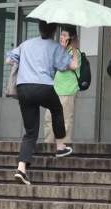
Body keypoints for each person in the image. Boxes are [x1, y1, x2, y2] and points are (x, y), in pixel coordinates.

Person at [9, 21, 78, 185]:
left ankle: (21, 168)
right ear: (54, 30)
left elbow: (10, 58)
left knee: (30, 131)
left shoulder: (26, 44)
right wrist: (72, 49)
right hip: (43, 87)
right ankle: (60, 147)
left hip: (24, 87)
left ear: (39, 29)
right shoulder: (55, 46)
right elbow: (68, 66)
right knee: (57, 109)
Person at [44, 25, 80, 144]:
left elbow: (65, 66)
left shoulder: (75, 53)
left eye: (65, 35)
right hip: (55, 89)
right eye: (61, 34)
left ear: (71, 38)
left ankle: (64, 145)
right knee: (49, 118)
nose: (61, 37)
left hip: (68, 90)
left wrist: (65, 49)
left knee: (65, 119)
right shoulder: (60, 50)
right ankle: (48, 144)